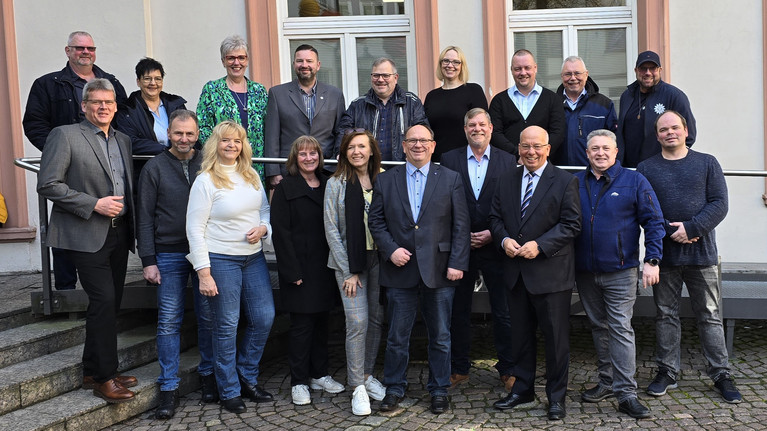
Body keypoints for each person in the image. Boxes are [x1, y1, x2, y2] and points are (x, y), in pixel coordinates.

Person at [36, 78, 137, 403]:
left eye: (108, 102)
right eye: (96, 102)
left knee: (110, 303)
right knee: (103, 300)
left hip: (119, 232)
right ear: (84, 106)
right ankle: (105, 378)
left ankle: (93, 369)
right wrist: (94, 204)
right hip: (85, 233)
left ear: (116, 106)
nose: (103, 107)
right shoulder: (65, 135)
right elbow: (48, 184)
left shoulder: (123, 139)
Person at [637, 111, 742, 404]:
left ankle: (721, 373)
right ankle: (667, 371)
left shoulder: (707, 163)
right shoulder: (646, 168)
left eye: (675, 127)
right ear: (657, 135)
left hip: (702, 254)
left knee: (709, 315)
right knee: (665, 315)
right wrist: (674, 231)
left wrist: (693, 228)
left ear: (686, 131)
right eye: (663, 129)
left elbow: (720, 203)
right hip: (665, 255)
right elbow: (645, 208)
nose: (669, 132)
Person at [368, 124, 470, 415]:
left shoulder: (450, 178)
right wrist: (390, 249)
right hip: (400, 269)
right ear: (403, 146)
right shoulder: (386, 180)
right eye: (412, 140)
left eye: (424, 140)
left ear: (433, 145)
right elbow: (376, 221)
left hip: (440, 269)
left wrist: (457, 263)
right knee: (397, 336)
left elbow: (461, 224)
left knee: (441, 336)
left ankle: (439, 389)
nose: (418, 145)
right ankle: (394, 387)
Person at [489, 126, 581, 421]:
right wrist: (503, 240)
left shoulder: (565, 181)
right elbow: (495, 217)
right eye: (526, 146)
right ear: (518, 148)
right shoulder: (506, 179)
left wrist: (540, 246)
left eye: (537, 146)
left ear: (548, 149)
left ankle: (556, 398)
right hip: (515, 272)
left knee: (556, 341)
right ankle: (522, 390)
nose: (531, 152)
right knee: (520, 337)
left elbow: (571, 224)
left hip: (551, 274)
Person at [23, 30, 127, 291]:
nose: (85, 52)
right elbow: (34, 123)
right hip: (68, 165)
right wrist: (59, 152)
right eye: (79, 48)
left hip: (101, 164)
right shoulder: (48, 84)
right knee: (68, 230)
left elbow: (124, 120)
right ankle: (66, 291)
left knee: (104, 254)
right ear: (68, 51)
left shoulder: (111, 82)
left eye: (90, 48)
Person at [574, 129, 664, 419]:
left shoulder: (634, 180)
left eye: (606, 148)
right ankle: (607, 382)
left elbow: (654, 222)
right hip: (585, 271)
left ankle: (626, 394)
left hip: (621, 271)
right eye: (595, 148)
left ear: (615, 152)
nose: (600, 153)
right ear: (587, 153)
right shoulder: (575, 182)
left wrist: (652, 259)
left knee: (620, 328)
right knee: (598, 327)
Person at [185, 121, 275, 414]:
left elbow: (264, 210)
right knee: (226, 325)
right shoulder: (205, 180)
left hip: (253, 258)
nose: (232, 145)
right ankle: (229, 390)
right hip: (220, 259)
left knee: (264, 317)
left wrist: (263, 228)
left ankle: (246, 376)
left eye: (237, 141)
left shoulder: (251, 174)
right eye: (226, 140)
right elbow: (194, 229)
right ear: (216, 144)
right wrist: (204, 272)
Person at [136, 110, 215, 419]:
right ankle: (168, 386)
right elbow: (144, 217)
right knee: (169, 320)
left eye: (190, 133)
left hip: (205, 252)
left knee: (208, 317)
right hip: (168, 253)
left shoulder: (207, 163)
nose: (184, 139)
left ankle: (209, 376)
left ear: (198, 134)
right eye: (178, 133)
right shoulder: (154, 167)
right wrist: (148, 260)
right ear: (168, 133)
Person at [439, 108, 516, 391]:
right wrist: (461, 236)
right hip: (461, 248)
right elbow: (443, 203)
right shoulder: (449, 159)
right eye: (471, 124)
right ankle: (459, 368)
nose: (477, 129)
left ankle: (508, 369)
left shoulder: (508, 160)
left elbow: (512, 205)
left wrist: (493, 235)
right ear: (465, 129)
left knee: (504, 311)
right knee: (458, 311)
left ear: (491, 128)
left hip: (496, 246)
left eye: (482, 124)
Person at [270, 136, 345, 406]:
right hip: (299, 268)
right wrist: (292, 272)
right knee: (302, 326)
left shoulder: (328, 182)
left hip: (325, 266)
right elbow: (281, 233)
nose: (309, 158)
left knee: (323, 322)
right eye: (303, 154)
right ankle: (299, 381)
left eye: (313, 153)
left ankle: (319, 374)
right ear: (295, 158)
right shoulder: (285, 187)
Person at [324, 129, 387, 416]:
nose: (357, 152)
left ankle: (367, 375)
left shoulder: (383, 179)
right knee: (357, 321)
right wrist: (349, 270)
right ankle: (357, 387)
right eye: (351, 147)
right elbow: (332, 230)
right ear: (344, 152)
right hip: (349, 263)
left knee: (375, 319)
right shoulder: (336, 183)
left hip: (379, 260)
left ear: (371, 150)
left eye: (362, 146)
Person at [264, 44, 345, 186]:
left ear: (318, 65)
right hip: (289, 170)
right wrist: (273, 172)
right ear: (294, 64)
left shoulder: (335, 94)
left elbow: (340, 131)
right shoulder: (277, 94)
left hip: (326, 170)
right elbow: (272, 136)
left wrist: (336, 163)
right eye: (300, 61)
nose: (304, 65)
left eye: (309, 61)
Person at [197, 35, 268, 179]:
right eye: (231, 58)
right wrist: (222, 151)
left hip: (256, 164)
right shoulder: (212, 89)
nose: (237, 62)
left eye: (241, 58)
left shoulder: (259, 91)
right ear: (223, 61)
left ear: (247, 60)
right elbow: (203, 128)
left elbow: (268, 127)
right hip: (223, 164)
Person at [336, 58, 429, 161]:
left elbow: (423, 132)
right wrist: (340, 152)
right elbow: (343, 131)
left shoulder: (412, 102)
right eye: (376, 75)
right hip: (367, 167)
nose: (380, 80)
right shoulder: (358, 105)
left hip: (401, 166)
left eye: (385, 75)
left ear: (395, 78)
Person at [618, 51, 696, 168]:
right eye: (643, 68)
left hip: (661, 169)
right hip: (629, 169)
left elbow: (688, 135)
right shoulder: (627, 95)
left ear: (660, 70)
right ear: (636, 71)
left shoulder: (674, 96)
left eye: (652, 68)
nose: (648, 73)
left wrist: (670, 162)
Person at [489, 49, 565, 158]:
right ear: (511, 70)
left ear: (535, 68)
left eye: (527, 68)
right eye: (518, 69)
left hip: (543, 163)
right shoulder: (499, 101)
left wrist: (538, 155)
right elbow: (495, 133)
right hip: (509, 164)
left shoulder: (553, 99)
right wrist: (518, 155)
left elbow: (558, 133)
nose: (523, 73)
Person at [424, 46, 488, 162]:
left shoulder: (474, 91)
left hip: (465, 160)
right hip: (436, 160)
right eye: (446, 61)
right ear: (440, 64)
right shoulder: (431, 96)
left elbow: (481, 129)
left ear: (462, 66)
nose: (450, 65)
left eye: (456, 62)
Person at [115, 57, 187, 156]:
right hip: (146, 163)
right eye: (147, 79)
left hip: (179, 161)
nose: (153, 83)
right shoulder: (127, 110)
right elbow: (128, 141)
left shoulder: (176, 105)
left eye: (158, 79)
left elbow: (188, 132)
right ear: (138, 81)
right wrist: (166, 151)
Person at [553, 56, 618, 166]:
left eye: (577, 73)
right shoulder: (552, 104)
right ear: (562, 76)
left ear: (586, 75)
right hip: (559, 171)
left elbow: (613, 141)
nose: (573, 78)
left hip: (594, 172)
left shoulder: (604, 104)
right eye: (568, 74)